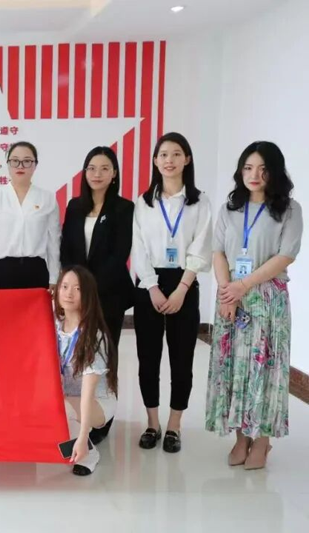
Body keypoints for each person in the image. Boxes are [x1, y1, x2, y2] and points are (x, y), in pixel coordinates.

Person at [206, 141, 302, 470]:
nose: (254, 175)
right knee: (235, 368)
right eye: (248, 168)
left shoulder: (290, 210)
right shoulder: (229, 208)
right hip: (231, 298)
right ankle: (240, 437)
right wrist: (227, 292)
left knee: (265, 370)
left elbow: (285, 255)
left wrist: (242, 286)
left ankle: (262, 440)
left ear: (274, 172)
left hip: (267, 299)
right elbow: (218, 252)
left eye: (263, 168)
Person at [132, 132, 212, 453]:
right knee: (148, 359)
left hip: (184, 283)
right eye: (163, 154)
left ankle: (175, 425)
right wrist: (151, 286)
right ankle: (152, 423)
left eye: (176, 154)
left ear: (187, 159)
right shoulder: (144, 202)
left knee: (182, 360)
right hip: (148, 286)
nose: (169, 160)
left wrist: (181, 289)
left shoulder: (200, 201)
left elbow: (201, 246)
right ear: (155, 161)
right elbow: (138, 247)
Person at [60, 146, 134, 445]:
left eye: (105, 168)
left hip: (109, 295)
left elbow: (120, 254)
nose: (97, 174)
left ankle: (103, 420)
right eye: (91, 168)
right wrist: (75, 287)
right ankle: (79, 412)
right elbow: (67, 249)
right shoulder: (74, 206)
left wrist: (89, 288)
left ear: (114, 173)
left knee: (105, 356)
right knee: (78, 357)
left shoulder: (124, 208)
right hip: (77, 296)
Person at [54, 266, 118, 476]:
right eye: (64, 287)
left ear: (88, 295)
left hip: (97, 401)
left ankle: (88, 452)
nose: (69, 293)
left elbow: (88, 393)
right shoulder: (54, 326)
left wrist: (82, 438)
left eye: (77, 288)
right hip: (68, 397)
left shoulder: (93, 335)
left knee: (61, 408)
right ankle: (72, 444)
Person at [0, 141, 60, 290]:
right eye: (15, 161)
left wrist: (54, 277)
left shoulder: (47, 198)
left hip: (36, 270)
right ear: (8, 164)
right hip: (2, 271)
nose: (20, 166)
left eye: (27, 161)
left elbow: (53, 242)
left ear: (35, 165)